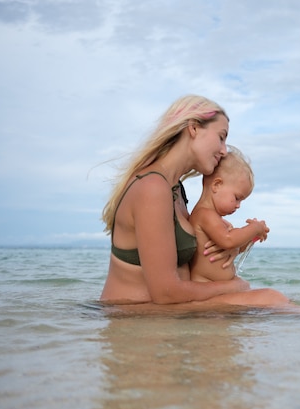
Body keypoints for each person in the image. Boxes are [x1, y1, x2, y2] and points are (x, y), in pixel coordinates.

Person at [100, 94, 289, 307]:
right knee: (271, 300)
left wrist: (232, 247)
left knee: (273, 302)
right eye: (221, 137)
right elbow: (166, 293)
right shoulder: (152, 188)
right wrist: (234, 286)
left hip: (160, 315)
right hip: (132, 319)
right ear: (194, 127)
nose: (224, 150)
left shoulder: (174, 188)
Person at [188, 146, 269, 283]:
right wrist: (253, 228)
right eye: (237, 198)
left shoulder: (215, 219)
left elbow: (234, 246)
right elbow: (228, 240)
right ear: (217, 185)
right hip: (207, 288)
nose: (238, 205)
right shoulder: (204, 215)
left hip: (218, 289)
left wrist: (252, 237)